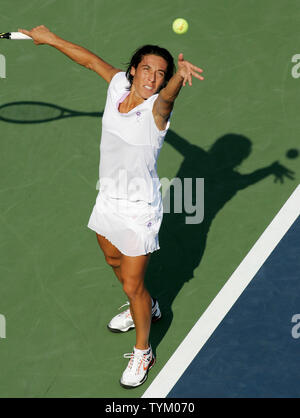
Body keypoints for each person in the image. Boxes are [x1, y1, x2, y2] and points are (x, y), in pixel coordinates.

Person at [19, 25, 204, 388]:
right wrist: (53, 39)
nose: (153, 78)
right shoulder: (118, 85)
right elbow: (89, 61)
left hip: (139, 211)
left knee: (133, 284)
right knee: (113, 262)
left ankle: (143, 351)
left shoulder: (157, 112)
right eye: (147, 69)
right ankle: (146, 308)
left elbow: (168, 98)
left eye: (162, 73)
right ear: (133, 70)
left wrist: (179, 79)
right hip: (108, 199)